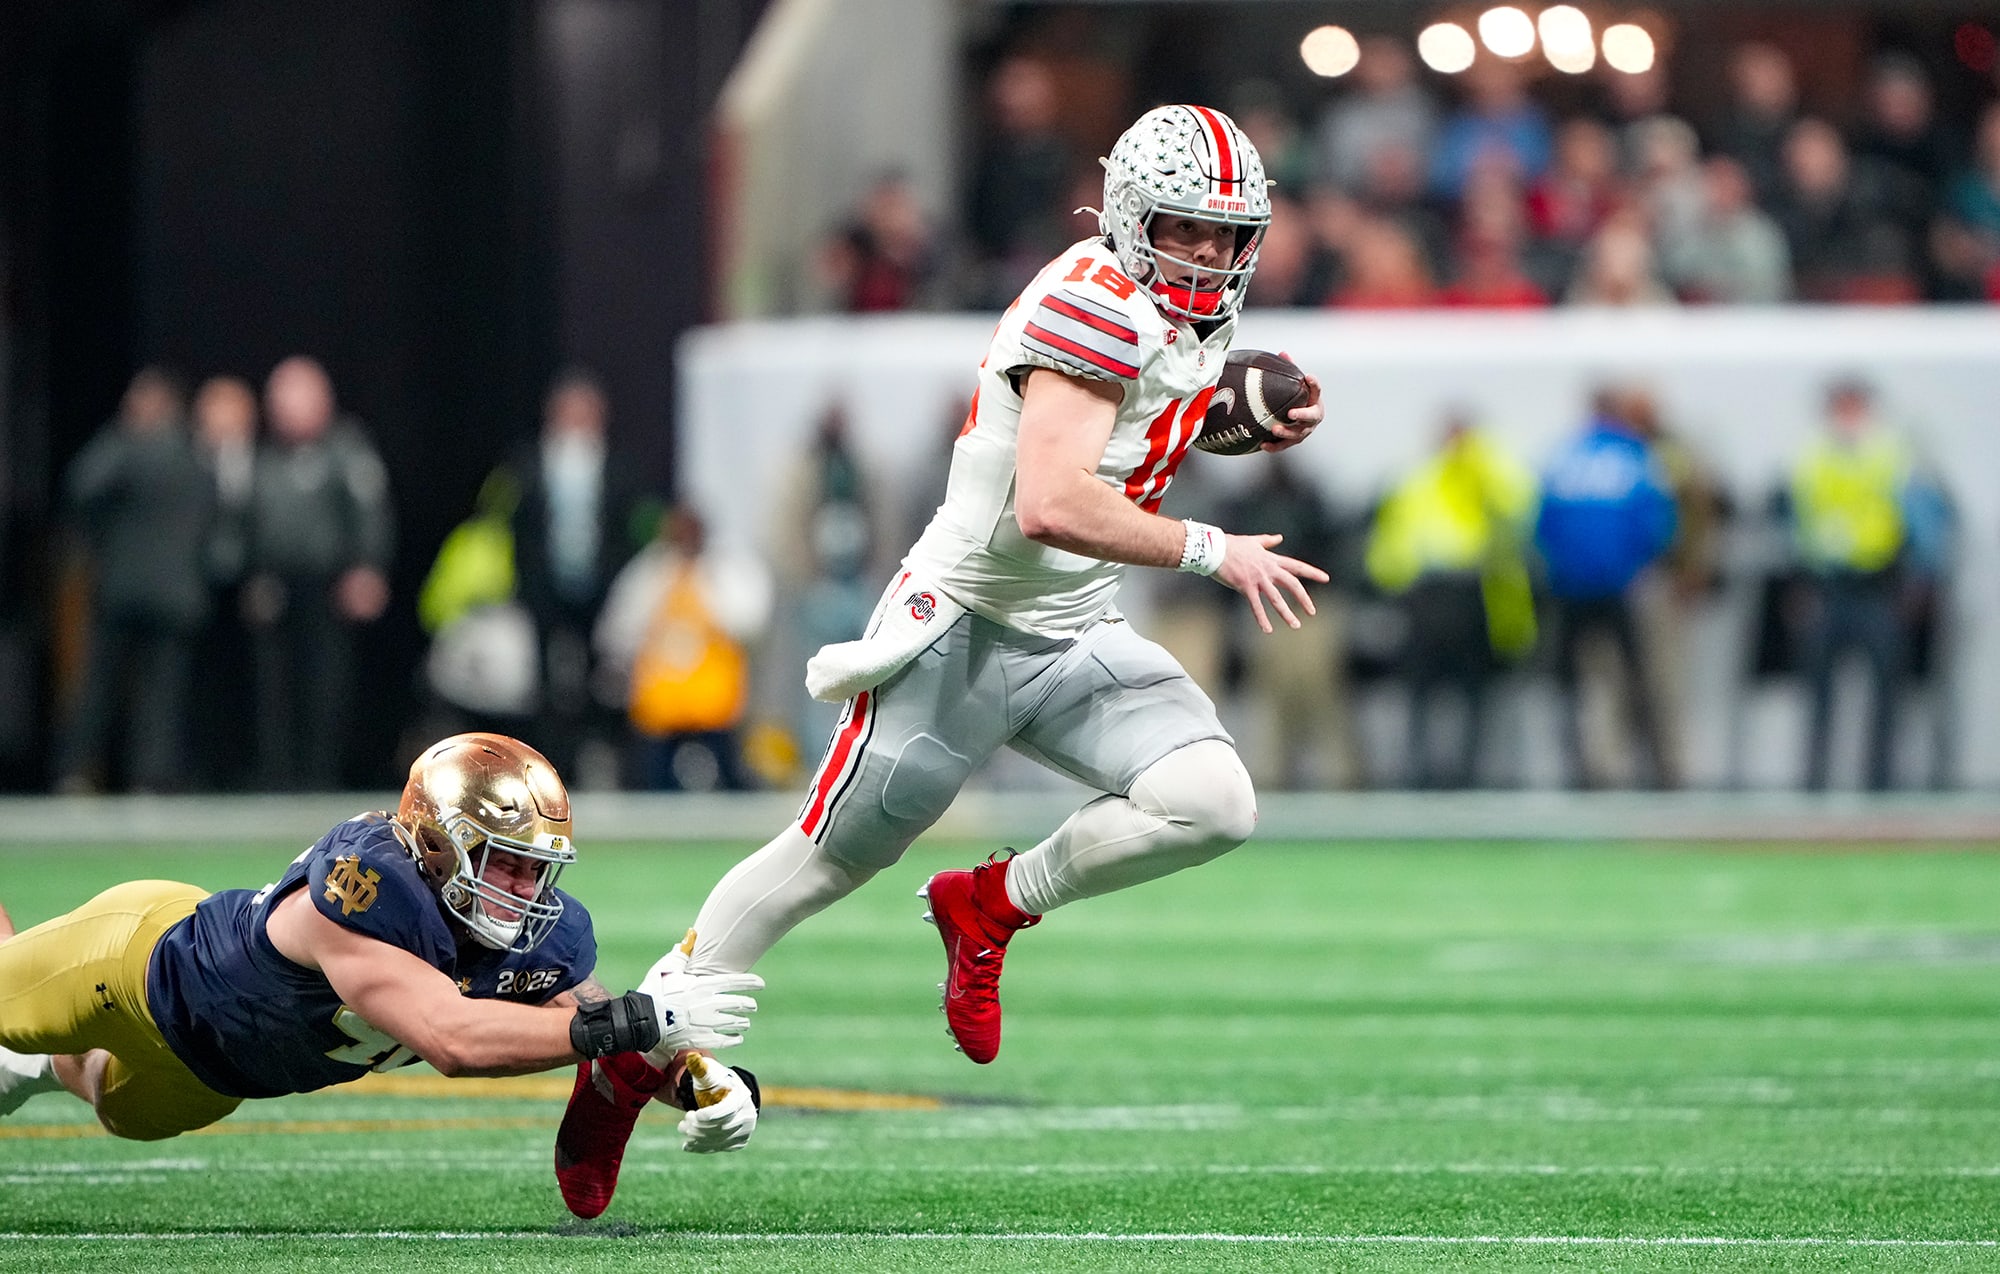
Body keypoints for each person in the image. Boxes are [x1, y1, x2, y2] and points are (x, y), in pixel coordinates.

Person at [553, 98, 1326, 1212]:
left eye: (1222, 233)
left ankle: (991, 901)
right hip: (960, 629)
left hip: (1073, 628)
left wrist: (1222, 407)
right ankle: (627, 1052)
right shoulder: (1091, 303)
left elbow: (1134, 422)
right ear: (1124, 217)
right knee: (820, 862)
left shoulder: (1178, 317)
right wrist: (1212, 549)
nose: (1204, 255)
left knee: (1213, 801)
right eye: (1180, 228)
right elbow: (1055, 499)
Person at [0, 732, 763, 1203]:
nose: (525, 895)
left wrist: (701, 1084)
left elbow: (604, 1034)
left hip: (218, 1074)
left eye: (538, 872)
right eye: (505, 866)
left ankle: (27, 1066)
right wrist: (637, 1017)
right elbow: (453, 1038)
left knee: (105, 1098)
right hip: (133, 962)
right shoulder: (370, 888)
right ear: (437, 843)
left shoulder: (534, 929)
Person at [54, 366, 213, 794]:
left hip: (121, 592)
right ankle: (150, 779)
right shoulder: (196, 455)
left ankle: (74, 771)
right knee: (161, 695)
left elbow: (80, 486)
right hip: (178, 595)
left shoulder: (125, 448)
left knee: (97, 686)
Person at [243, 356, 394, 789]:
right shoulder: (262, 455)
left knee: (326, 686)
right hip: (275, 586)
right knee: (272, 690)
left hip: (330, 587)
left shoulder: (347, 449)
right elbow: (246, 520)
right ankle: (276, 778)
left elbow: (370, 511)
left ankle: (319, 778)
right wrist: (252, 573)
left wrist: (367, 567)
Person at [1534, 386, 1678, 789]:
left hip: (1570, 588)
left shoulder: (1563, 457)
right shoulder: (1636, 456)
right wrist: (1635, 567)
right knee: (1636, 680)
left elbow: (1543, 524)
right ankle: (1653, 770)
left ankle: (1576, 770)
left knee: (1570, 686)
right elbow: (1657, 523)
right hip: (1619, 588)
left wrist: (1561, 568)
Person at [1787, 379, 1923, 791]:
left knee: (1885, 695)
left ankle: (1881, 785)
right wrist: (1799, 585)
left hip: (1877, 587)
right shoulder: (1812, 459)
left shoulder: (1891, 457)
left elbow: (1916, 524)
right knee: (1818, 696)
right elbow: (1798, 526)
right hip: (1827, 587)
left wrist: (1912, 583)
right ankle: (1813, 784)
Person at [511, 369, 641, 783]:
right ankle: (548, 767)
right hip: (545, 588)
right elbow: (520, 528)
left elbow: (624, 527)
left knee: (596, 680)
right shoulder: (530, 462)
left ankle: (591, 763)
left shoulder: (615, 465)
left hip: (597, 589)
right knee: (546, 682)